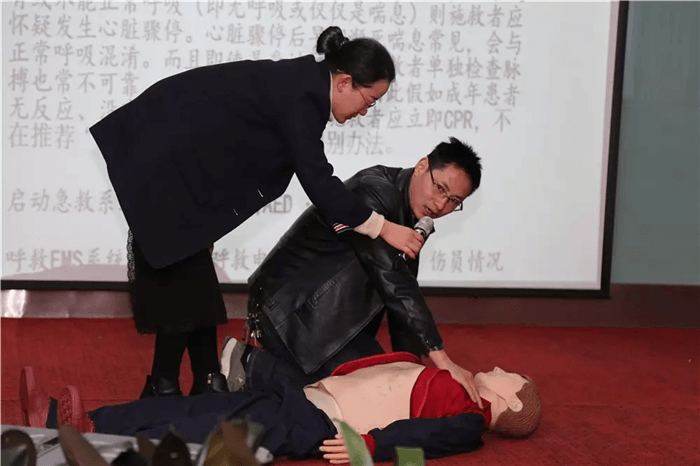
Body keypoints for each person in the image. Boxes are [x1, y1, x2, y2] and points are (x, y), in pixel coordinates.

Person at [89, 26, 425, 398]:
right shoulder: (302, 97)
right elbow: (320, 183)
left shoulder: (303, 84)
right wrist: (383, 227)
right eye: (370, 100)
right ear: (345, 82)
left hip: (174, 164)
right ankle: (175, 385)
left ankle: (197, 382)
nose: (365, 112)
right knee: (184, 278)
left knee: (189, 280)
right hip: (161, 160)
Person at [243, 137, 484, 405]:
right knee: (369, 400)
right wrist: (440, 356)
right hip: (287, 313)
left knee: (395, 390)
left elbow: (400, 297)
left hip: (330, 319)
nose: (440, 205)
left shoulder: (414, 213)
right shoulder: (375, 192)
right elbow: (394, 280)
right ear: (421, 166)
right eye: (439, 188)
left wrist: (413, 369)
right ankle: (253, 366)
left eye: (453, 201)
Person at [20, 343, 541, 463]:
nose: (498, 368)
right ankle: (84, 422)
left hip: (320, 422)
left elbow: (425, 438)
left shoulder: (468, 419)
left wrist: (369, 446)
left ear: (509, 398)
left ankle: (84, 445)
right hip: (308, 398)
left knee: (207, 428)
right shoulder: (452, 381)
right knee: (194, 408)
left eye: (509, 375)